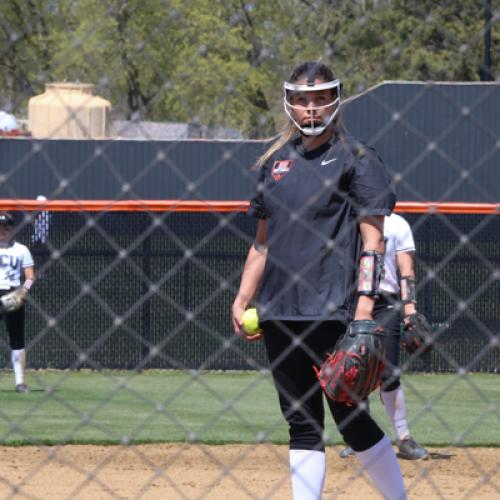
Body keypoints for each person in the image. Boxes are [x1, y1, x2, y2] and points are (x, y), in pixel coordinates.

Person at [232, 62, 406, 500]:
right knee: (300, 422)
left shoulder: (358, 159)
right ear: (289, 102)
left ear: (336, 99)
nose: (312, 107)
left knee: (350, 419)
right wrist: (242, 298)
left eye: (321, 97)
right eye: (302, 99)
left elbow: (374, 242)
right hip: (279, 312)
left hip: (335, 310)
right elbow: (262, 244)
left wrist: (364, 311)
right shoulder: (275, 163)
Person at [340, 213, 429, 460]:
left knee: (388, 372)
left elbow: (406, 270)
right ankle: (359, 437)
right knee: (353, 371)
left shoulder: (397, 224)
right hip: (350, 301)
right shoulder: (348, 220)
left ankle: (404, 438)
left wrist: (410, 311)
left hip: (385, 303)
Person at [0, 212, 35, 393]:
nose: (2, 231)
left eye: (6, 227)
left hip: (13, 293)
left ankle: (20, 382)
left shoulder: (21, 249)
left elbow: (30, 276)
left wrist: (23, 291)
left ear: (12, 229)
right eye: (0, 227)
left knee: (17, 340)